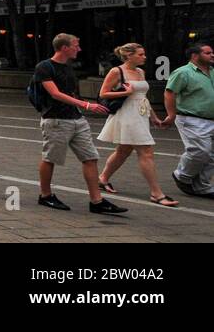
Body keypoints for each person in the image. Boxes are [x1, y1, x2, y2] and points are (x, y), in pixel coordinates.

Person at [33, 33, 126, 214]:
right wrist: (86, 105)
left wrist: (83, 107)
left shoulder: (68, 67)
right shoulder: (44, 67)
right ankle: (45, 195)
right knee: (50, 158)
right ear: (64, 47)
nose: (79, 49)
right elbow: (55, 94)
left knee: (90, 157)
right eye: (76, 45)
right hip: (56, 120)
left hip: (77, 119)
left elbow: (70, 93)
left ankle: (96, 201)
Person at [96, 42, 177, 206]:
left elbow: (142, 97)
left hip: (140, 114)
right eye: (140, 54)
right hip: (127, 115)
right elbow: (103, 93)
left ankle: (102, 179)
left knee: (123, 150)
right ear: (128, 56)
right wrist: (125, 92)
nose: (144, 57)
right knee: (146, 152)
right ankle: (156, 193)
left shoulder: (140, 71)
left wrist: (153, 117)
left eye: (144, 54)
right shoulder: (116, 71)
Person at [161, 40, 214, 198]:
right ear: (194, 55)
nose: (212, 55)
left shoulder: (212, 71)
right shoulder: (183, 72)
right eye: (208, 53)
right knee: (200, 151)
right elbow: (170, 93)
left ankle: (202, 186)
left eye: (212, 52)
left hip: (211, 118)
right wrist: (171, 114)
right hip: (191, 118)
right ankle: (182, 175)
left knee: (211, 156)